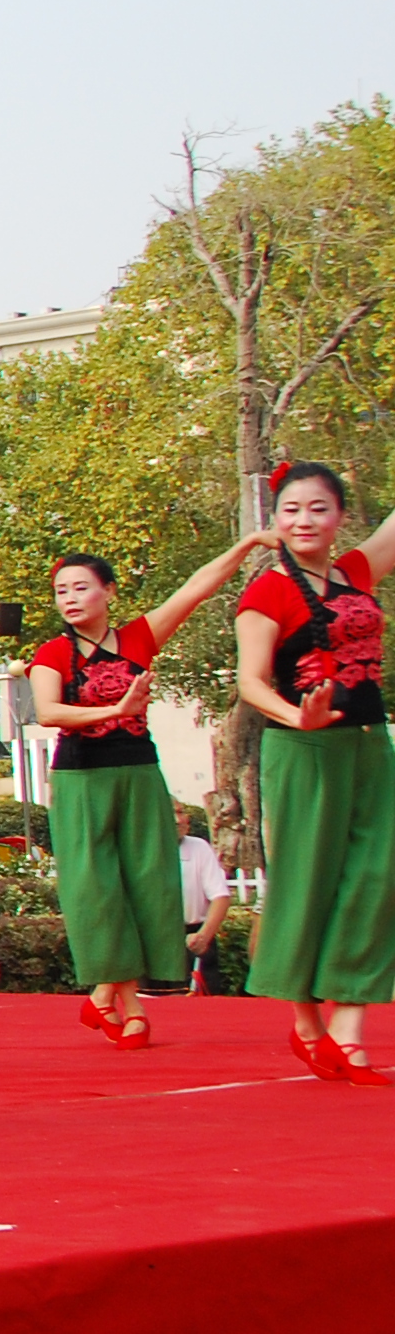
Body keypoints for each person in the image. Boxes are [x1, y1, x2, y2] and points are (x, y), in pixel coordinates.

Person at [30, 534, 266, 1048]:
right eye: (61, 591)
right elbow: (48, 712)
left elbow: (197, 587)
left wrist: (247, 542)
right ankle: (127, 1007)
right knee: (97, 889)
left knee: (148, 883)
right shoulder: (53, 652)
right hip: (81, 780)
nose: (69, 598)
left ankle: (109, 1001)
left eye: (80, 587)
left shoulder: (140, 636)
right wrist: (116, 710)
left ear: (109, 591)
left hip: (140, 773)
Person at [231, 459, 395, 1083]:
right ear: (275, 519)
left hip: (368, 744)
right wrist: (297, 718)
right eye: (291, 509)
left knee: (376, 878)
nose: (304, 520)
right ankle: (306, 1022)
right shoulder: (267, 592)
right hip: (302, 750)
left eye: (318, 508)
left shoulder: (354, 572)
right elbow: (251, 681)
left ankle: (348, 1031)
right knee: (306, 880)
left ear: (340, 517)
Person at [175, 805, 236, 996]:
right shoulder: (138, 848)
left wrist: (204, 935)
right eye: (171, 813)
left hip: (193, 938)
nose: (178, 820)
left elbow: (220, 896)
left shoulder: (199, 847)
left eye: (181, 812)